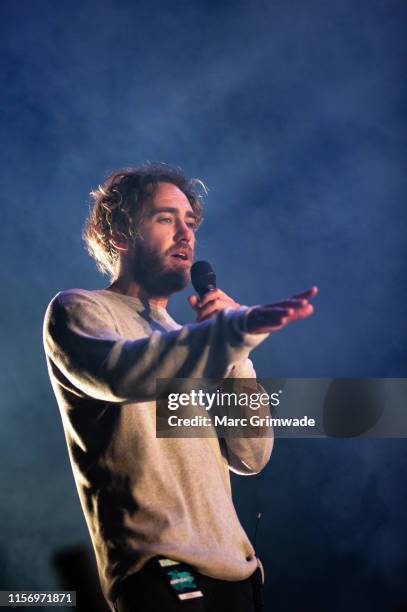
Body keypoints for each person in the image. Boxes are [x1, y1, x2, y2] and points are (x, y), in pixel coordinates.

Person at [43, 163, 317, 612]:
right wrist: (225, 337)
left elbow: (250, 455)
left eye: (190, 222)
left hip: (240, 577)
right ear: (120, 234)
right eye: (166, 219)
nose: (186, 235)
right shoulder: (80, 311)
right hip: (162, 578)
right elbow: (123, 374)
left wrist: (236, 355)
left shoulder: (187, 337)